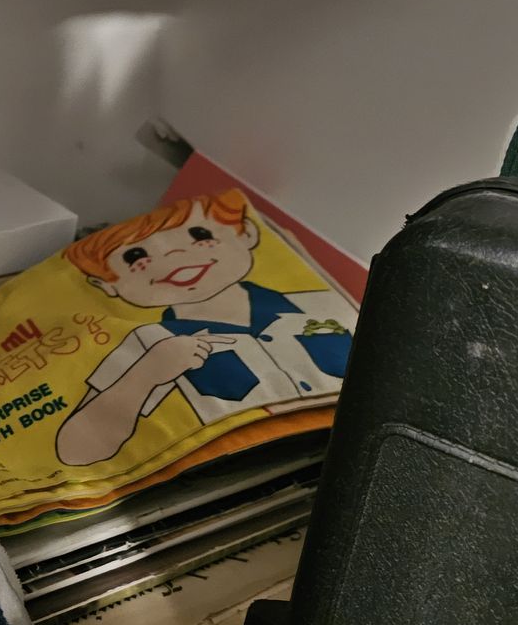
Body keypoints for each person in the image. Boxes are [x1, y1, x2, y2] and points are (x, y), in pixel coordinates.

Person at [53, 190, 355, 467]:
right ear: (106, 285)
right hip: (256, 468)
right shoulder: (151, 343)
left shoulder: (322, 302)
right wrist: (145, 374)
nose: (173, 257)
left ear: (247, 233)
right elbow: (75, 452)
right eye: (136, 257)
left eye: (199, 235)